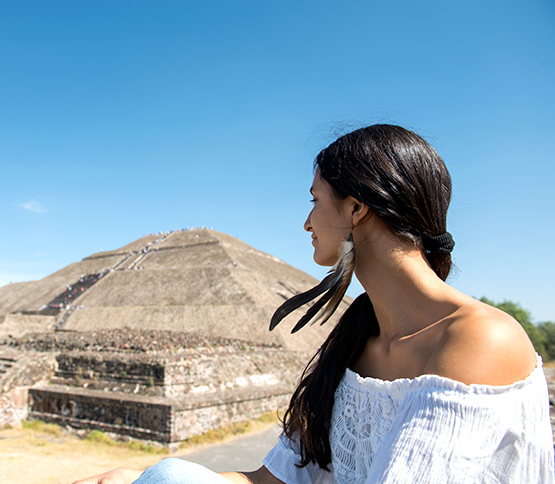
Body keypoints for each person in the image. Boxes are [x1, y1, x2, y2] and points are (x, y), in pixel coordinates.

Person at [73, 125, 554, 484]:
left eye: (315, 199)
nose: (306, 222)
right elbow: (275, 479)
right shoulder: (357, 340)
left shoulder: (477, 339)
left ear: (355, 208)